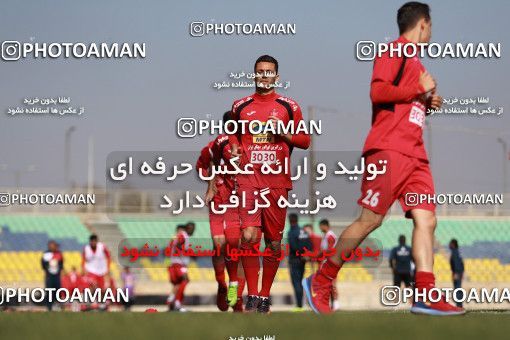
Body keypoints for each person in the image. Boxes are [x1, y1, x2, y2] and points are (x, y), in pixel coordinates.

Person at [303, 2, 465, 315]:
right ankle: (322, 278)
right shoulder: (393, 51)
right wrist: (416, 90)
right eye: (431, 27)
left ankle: (425, 293)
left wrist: (426, 101)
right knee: (371, 220)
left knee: (427, 219)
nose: (431, 32)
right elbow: (378, 92)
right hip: (389, 149)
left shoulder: (416, 64)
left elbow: (405, 101)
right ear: (423, 24)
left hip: (416, 155)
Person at [228, 55, 311, 313]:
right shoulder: (239, 106)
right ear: (253, 75)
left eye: (269, 72)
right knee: (249, 236)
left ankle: (264, 295)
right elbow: (233, 139)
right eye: (260, 72)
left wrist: (283, 133)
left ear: (277, 77)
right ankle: (252, 294)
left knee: (274, 243)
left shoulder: (289, 106)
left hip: (277, 181)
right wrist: (233, 151)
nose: (264, 76)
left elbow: (305, 140)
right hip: (248, 179)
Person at [203, 116, 246, 312]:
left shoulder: (253, 142)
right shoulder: (219, 142)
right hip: (221, 198)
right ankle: (222, 284)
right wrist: (211, 187)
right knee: (219, 244)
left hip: (244, 201)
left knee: (239, 247)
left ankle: (236, 297)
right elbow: (209, 163)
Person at [287, 213, 311, 311]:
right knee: (299, 282)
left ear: (290, 220)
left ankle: (299, 306)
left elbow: (293, 246)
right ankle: (301, 304)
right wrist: (305, 254)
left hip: (295, 260)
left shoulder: (291, 232)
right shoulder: (303, 231)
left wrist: (300, 254)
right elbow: (309, 244)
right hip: (303, 260)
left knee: (296, 282)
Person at [82, 234, 111, 310]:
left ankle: (101, 304)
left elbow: (108, 256)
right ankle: (89, 302)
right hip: (91, 271)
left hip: (101, 271)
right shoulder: (86, 248)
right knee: (92, 286)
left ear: (97, 241)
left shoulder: (102, 247)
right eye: (92, 241)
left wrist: (107, 268)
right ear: (90, 242)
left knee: (102, 290)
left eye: (95, 241)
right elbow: (83, 259)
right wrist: (84, 269)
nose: (93, 243)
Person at [167, 224, 192, 312]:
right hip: (180, 263)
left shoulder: (174, 238)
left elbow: (169, 248)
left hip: (173, 263)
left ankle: (170, 300)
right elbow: (179, 246)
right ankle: (177, 303)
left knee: (177, 283)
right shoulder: (182, 235)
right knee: (185, 280)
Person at [318, 219, 339, 311]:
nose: (320, 228)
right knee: (328, 284)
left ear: (324, 226)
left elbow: (331, 250)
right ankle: (331, 304)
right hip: (328, 262)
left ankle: (336, 303)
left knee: (332, 284)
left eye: (320, 226)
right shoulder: (326, 236)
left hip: (330, 263)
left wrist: (321, 254)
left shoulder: (330, 236)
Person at [41, 240, 63, 311]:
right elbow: (43, 264)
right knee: (49, 291)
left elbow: (61, 263)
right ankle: (49, 307)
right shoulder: (46, 254)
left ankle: (57, 306)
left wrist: (59, 269)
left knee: (58, 291)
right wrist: (48, 268)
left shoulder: (59, 253)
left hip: (57, 276)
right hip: (49, 276)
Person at [449, 239, 464, 307]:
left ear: (453, 244)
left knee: (457, 289)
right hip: (459, 272)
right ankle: (459, 304)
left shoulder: (455, 252)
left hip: (457, 273)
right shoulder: (457, 252)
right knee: (458, 288)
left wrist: (456, 273)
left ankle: (459, 305)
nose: (449, 245)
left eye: (450, 244)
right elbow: (461, 263)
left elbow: (456, 263)